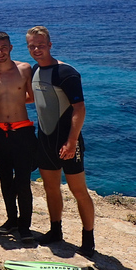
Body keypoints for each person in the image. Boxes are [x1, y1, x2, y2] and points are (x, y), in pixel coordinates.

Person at [26, 26, 96, 257]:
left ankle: (88, 239)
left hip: (68, 141)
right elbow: (33, 99)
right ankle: (55, 231)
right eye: (32, 46)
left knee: (79, 191)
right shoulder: (35, 70)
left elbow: (80, 108)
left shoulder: (66, 73)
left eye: (41, 45)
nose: (36, 49)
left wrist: (72, 141)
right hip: (45, 139)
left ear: (49, 45)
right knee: (50, 188)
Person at [0, 31, 36, 243]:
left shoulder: (24, 69)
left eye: (3, 47)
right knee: (5, 180)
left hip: (22, 131)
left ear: (11, 48)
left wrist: (12, 101)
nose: (0, 52)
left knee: (23, 181)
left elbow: (32, 97)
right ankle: (11, 220)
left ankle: (25, 226)